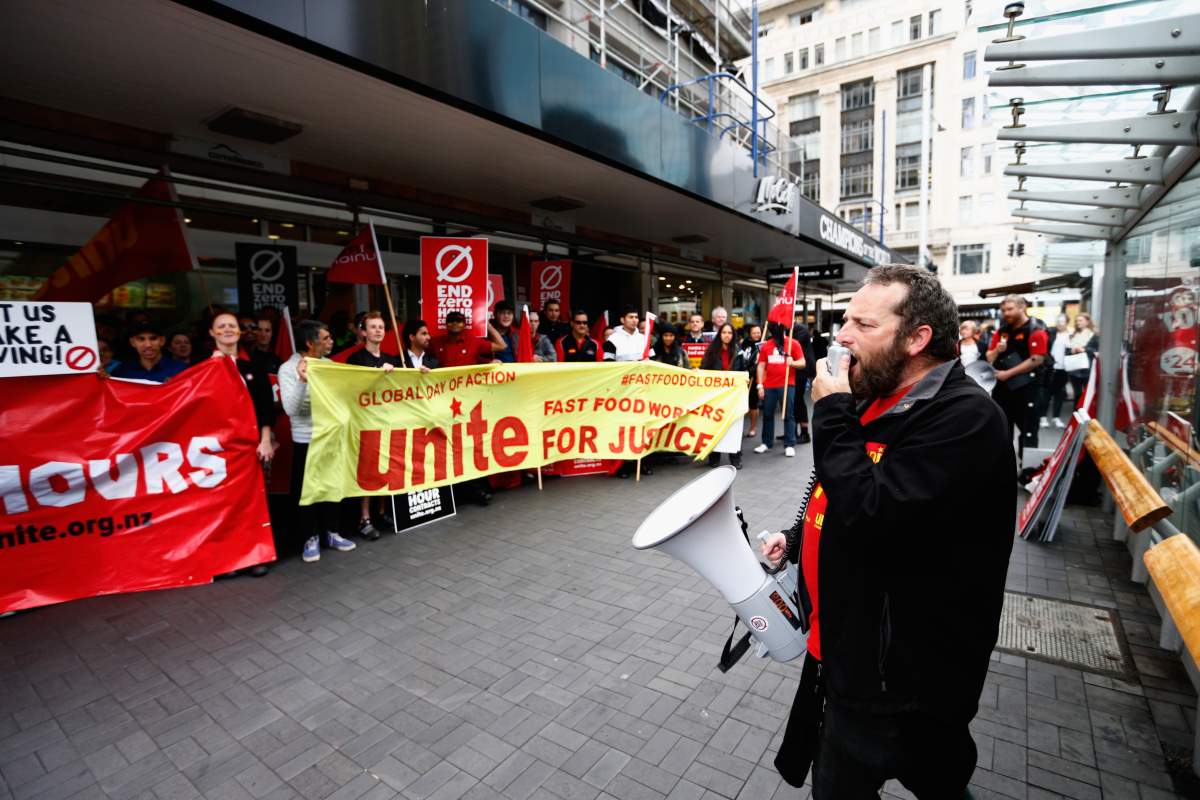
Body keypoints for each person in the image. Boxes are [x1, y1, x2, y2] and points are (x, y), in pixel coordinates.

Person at [761, 265, 1014, 797]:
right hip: (846, 660)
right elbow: (842, 490)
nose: (842, 336)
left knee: (933, 781)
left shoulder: (966, 419)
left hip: (906, 683)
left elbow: (877, 515)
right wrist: (799, 535)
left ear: (917, 338)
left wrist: (830, 414)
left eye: (863, 325)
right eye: (845, 321)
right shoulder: (872, 395)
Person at [278, 320, 358, 563]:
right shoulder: (288, 369)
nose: (331, 342)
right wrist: (303, 381)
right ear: (309, 343)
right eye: (325, 338)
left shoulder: (329, 366)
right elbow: (291, 408)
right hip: (305, 439)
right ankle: (309, 537)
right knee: (307, 492)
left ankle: (331, 532)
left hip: (331, 436)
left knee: (331, 486)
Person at [210, 310, 277, 577]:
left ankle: (254, 556)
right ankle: (229, 559)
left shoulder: (252, 367)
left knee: (252, 503)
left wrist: (265, 440)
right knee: (224, 504)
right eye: (221, 326)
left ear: (239, 332)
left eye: (232, 326)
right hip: (216, 450)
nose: (227, 329)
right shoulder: (202, 369)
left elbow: (264, 406)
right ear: (212, 333)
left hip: (249, 446)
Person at [347, 311, 403, 541]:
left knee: (385, 469)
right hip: (366, 423)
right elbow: (353, 389)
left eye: (381, 327)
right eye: (373, 327)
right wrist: (378, 376)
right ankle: (364, 518)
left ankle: (380, 513)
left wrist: (419, 374)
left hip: (387, 421)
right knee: (369, 471)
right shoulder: (356, 360)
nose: (378, 330)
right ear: (363, 331)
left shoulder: (392, 358)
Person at [986, 294, 1048, 465]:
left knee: (1028, 430)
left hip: (1027, 390)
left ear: (1022, 307)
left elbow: (1037, 359)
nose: (1006, 313)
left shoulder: (1036, 328)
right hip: (1003, 391)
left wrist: (1008, 374)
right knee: (1003, 430)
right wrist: (998, 350)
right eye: (1003, 310)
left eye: (1010, 309)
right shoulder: (1002, 331)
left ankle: (1028, 468)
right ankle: (1004, 468)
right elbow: (989, 358)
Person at [753, 321, 805, 457]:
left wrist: (792, 362)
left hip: (788, 384)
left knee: (788, 414)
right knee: (768, 414)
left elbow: (803, 362)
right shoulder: (766, 346)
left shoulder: (793, 343)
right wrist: (760, 385)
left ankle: (789, 443)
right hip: (769, 385)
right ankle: (766, 443)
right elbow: (761, 366)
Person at [699, 323, 744, 469]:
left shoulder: (738, 351)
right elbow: (704, 369)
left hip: (734, 395)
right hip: (716, 395)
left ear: (733, 335)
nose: (727, 335)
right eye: (724, 332)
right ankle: (714, 457)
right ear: (720, 334)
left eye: (730, 333)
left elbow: (743, 370)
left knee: (734, 426)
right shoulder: (711, 351)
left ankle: (735, 458)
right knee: (714, 426)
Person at [110, 320, 189, 382]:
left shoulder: (180, 370)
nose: (148, 345)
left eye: (153, 338)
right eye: (141, 339)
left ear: (162, 341)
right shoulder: (122, 372)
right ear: (132, 342)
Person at [431, 311, 507, 367]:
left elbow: (501, 345)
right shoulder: (436, 341)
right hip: (444, 386)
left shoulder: (474, 341)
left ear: (464, 325)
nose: (455, 323)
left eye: (458, 321)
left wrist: (488, 326)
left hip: (468, 386)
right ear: (446, 324)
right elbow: (420, 349)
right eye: (451, 321)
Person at [1040, 314, 1070, 429]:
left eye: (1062, 321)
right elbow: (1045, 349)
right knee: (1046, 394)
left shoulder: (1070, 335)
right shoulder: (1050, 332)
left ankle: (1056, 418)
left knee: (1059, 394)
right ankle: (1043, 417)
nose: (1060, 323)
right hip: (1051, 368)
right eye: (1058, 321)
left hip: (1064, 368)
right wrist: (1048, 362)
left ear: (1066, 322)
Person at [790, 321, 816, 445]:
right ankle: (791, 431)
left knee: (797, 400)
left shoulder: (800, 329)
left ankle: (805, 433)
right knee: (792, 401)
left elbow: (792, 346)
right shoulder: (789, 330)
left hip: (801, 371)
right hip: (792, 371)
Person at [1067, 312, 1098, 404]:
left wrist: (1084, 349)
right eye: (1076, 321)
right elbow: (1067, 349)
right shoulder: (1073, 335)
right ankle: (1076, 412)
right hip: (1074, 368)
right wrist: (1071, 351)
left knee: (1087, 393)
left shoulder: (1094, 335)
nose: (1078, 323)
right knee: (1077, 393)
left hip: (1087, 369)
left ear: (1087, 322)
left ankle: (1086, 411)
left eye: (1080, 320)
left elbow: (1097, 350)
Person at [740, 324, 762, 437]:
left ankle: (753, 427)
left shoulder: (763, 344)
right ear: (750, 334)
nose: (757, 335)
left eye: (758, 332)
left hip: (755, 377)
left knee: (753, 404)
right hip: (743, 376)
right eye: (754, 333)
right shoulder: (744, 344)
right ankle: (740, 428)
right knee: (742, 404)